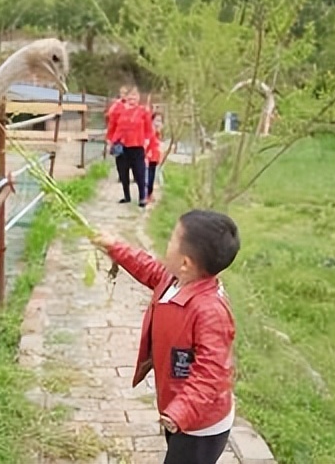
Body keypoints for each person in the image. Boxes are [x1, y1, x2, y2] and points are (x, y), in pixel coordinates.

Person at [92, 210, 240, 464]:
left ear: (185, 263)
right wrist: (115, 247)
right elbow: (147, 268)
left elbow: (212, 373)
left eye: (172, 239)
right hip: (178, 411)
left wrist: (181, 411)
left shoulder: (210, 311)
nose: (166, 243)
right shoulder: (175, 280)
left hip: (200, 426)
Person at [107, 87, 153, 207]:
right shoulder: (118, 110)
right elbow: (112, 125)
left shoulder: (143, 111)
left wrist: (147, 141)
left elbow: (148, 128)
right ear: (126, 97)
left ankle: (142, 197)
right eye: (130, 95)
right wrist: (110, 140)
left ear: (138, 97)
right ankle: (126, 196)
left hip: (137, 145)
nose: (132, 98)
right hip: (121, 145)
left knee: (139, 172)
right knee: (123, 172)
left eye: (135, 95)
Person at [106, 86, 129, 183]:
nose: (124, 95)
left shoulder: (132, 105)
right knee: (120, 156)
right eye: (122, 93)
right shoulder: (116, 106)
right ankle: (122, 176)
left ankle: (130, 175)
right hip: (118, 135)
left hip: (129, 136)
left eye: (126, 93)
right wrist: (110, 137)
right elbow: (111, 120)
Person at [145, 112, 163, 202]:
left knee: (152, 177)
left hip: (155, 157)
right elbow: (146, 144)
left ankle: (150, 194)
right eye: (157, 120)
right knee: (148, 177)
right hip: (149, 157)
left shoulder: (158, 132)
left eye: (160, 121)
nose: (158, 123)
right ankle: (146, 195)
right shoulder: (150, 131)